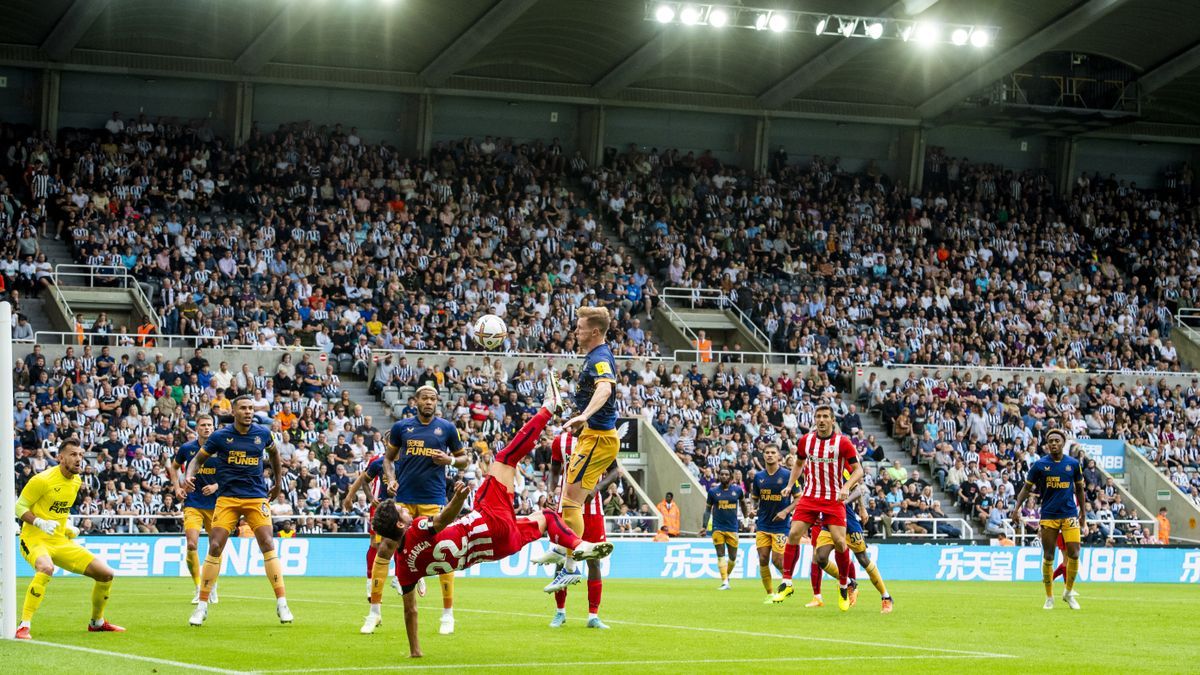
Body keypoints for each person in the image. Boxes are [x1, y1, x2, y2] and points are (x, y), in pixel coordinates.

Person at [369, 380, 612, 657]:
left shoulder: (404, 569)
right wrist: (458, 500)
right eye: (401, 512)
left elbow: (410, 610)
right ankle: (548, 409)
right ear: (401, 524)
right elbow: (441, 521)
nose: (405, 511)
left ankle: (575, 546)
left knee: (546, 516)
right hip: (485, 521)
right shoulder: (417, 529)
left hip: (498, 547)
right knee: (506, 458)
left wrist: (415, 650)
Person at [184, 395, 292, 626]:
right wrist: (187, 475)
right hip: (227, 499)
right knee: (215, 546)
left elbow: (274, 456)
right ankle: (202, 606)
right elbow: (197, 459)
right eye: (243, 408)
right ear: (234, 411)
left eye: (251, 408)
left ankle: (282, 603)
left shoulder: (262, 434)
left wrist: (278, 481)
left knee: (268, 543)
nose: (248, 412)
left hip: (255, 497)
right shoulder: (220, 437)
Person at [376, 385, 469, 635]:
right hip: (404, 497)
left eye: (433, 399)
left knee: (442, 552)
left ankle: (447, 614)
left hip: (433, 498)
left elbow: (464, 459)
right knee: (387, 545)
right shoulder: (401, 428)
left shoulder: (447, 428)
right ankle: (374, 612)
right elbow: (388, 459)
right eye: (425, 398)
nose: (429, 402)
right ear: (415, 401)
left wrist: (449, 460)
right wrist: (390, 479)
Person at [14, 440, 124, 639]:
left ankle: (97, 622)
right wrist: (39, 522)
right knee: (46, 568)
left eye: (81, 455)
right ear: (61, 457)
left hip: (59, 541)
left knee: (106, 574)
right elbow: (19, 507)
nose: (79, 459)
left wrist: (67, 529)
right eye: (73, 455)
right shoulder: (43, 480)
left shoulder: (75, 482)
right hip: (34, 539)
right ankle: (24, 624)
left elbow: (58, 513)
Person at [769, 406, 862, 611]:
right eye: (818, 416)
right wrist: (790, 484)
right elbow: (799, 464)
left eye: (825, 417)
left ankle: (844, 585)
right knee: (793, 533)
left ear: (832, 421)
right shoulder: (806, 441)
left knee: (839, 541)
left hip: (833, 498)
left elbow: (858, 470)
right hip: (810, 496)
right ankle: (787, 583)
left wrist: (846, 487)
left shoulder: (843, 443)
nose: (821, 420)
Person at [554, 306, 620, 591]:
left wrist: (584, 415)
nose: (576, 332)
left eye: (580, 328)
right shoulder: (594, 357)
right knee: (570, 501)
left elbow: (605, 389)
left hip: (598, 438)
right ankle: (564, 555)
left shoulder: (600, 357)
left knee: (570, 501)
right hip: (593, 436)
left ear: (594, 331)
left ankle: (570, 564)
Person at [1010, 429, 1087, 610]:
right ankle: (1049, 596)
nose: (1054, 443)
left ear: (1063, 443)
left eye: (1057, 440)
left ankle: (1068, 592)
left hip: (1069, 515)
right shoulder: (1039, 465)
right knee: (1049, 556)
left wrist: (1083, 513)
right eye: (1050, 440)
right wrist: (1016, 508)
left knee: (1075, 554)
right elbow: (1026, 488)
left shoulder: (1073, 464)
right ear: (1047, 444)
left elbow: (1080, 490)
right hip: (1049, 516)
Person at [543, 429, 610, 629]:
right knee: (561, 557)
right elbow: (554, 470)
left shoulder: (601, 438)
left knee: (594, 560)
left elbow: (615, 471)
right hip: (566, 506)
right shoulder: (560, 441)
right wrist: (550, 491)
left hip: (592, 510)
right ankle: (560, 612)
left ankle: (593, 616)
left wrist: (596, 489)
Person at [806, 476, 894, 614]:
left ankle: (886, 597)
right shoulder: (816, 475)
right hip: (829, 521)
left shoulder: (840, 469)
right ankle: (849, 582)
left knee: (863, 559)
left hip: (848, 521)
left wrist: (855, 505)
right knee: (820, 557)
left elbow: (858, 490)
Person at [169, 413, 221, 605]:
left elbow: (231, 473)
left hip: (217, 505)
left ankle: (212, 585)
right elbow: (174, 468)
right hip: (193, 503)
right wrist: (177, 488)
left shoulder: (222, 448)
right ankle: (199, 587)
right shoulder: (187, 448)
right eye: (203, 425)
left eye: (210, 425)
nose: (207, 428)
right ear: (197, 428)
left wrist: (216, 486)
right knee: (192, 544)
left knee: (215, 547)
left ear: (213, 427)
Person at [342, 452, 405, 604]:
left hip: (401, 504)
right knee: (375, 544)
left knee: (401, 541)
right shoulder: (377, 460)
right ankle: (371, 583)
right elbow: (363, 478)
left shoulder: (405, 458)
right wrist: (349, 497)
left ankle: (399, 577)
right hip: (379, 505)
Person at [750, 444, 796, 598]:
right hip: (763, 524)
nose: (770, 455)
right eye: (767, 453)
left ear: (779, 456)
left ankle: (788, 583)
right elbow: (755, 499)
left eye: (773, 453)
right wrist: (752, 508)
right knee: (763, 558)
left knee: (777, 560)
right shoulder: (758, 477)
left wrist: (786, 511)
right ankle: (770, 594)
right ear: (763, 456)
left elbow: (800, 498)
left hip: (781, 526)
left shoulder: (789, 475)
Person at [706, 467, 746, 590]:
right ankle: (724, 582)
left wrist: (746, 519)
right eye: (722, 474)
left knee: (732, 558)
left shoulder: (738, 490)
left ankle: (726, 576)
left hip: (732, 528)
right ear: (719, 476)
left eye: (726, 474)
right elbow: (707, 510)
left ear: (730, 476)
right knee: (720, 555)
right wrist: (704, 526)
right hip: (717, 527)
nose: (724, 476)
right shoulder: (713, 492)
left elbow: (744, 504)